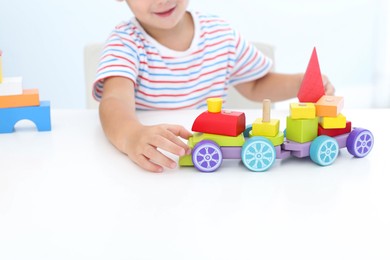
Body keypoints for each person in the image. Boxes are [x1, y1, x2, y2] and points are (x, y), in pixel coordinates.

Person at [93, 0, 335, 173]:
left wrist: (299, 83)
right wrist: (132, 135)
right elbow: (115, 101)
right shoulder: (124, 43)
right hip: (158, 161)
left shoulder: (220, 34)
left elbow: (256, 84)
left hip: (214, 162)